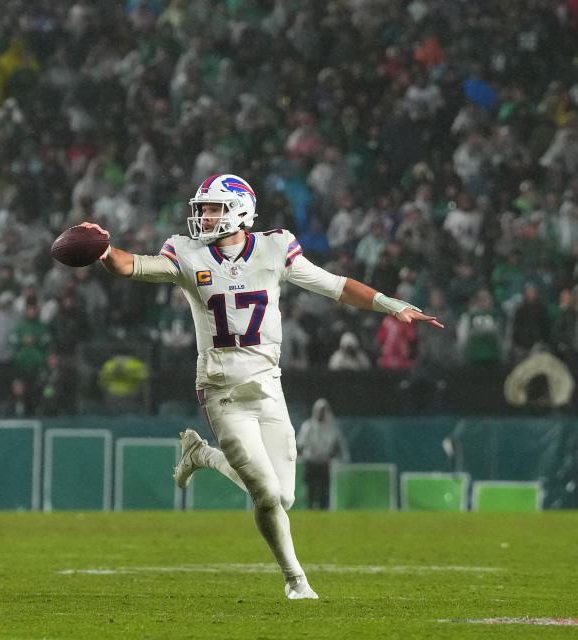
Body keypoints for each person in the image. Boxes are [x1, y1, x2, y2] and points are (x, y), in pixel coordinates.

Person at [83, 173, 443, 600]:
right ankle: (296, 581)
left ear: (240, 209)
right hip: (221, 391)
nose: (204, 216)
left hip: (268, 389)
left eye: (213, 207)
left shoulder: (274, 248)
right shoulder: (186, 252)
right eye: (202, 208)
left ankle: (202, 454)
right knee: (267, 494)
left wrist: (392, 304)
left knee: (284, 496)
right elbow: (132, 265)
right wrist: (103, 250)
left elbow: (335, 286)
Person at [296, 398, 349, 510]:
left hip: (324, 463)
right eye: (320, 410)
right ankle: (310, 509)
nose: (321, 413)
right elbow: (300, 443)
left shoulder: (332, 427)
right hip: (311, 463)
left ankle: (323, 510)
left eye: (324, 410)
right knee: (311, 489)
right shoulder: (308, 426)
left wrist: (343, 458)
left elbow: (339, 445)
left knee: (325, 490)